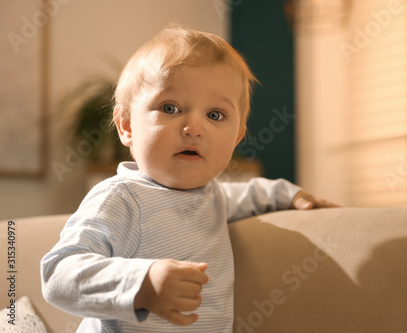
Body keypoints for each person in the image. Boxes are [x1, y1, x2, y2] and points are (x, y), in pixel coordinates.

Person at [41, 25, 339, 332]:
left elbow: (245, 195)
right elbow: (58, 275)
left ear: (237, 136)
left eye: (215, 115)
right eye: (170, 108)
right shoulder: (121, 199)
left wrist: (286, 194)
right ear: (127, 125)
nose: (194, 127)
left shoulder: (210, 197)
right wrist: (141, 282)